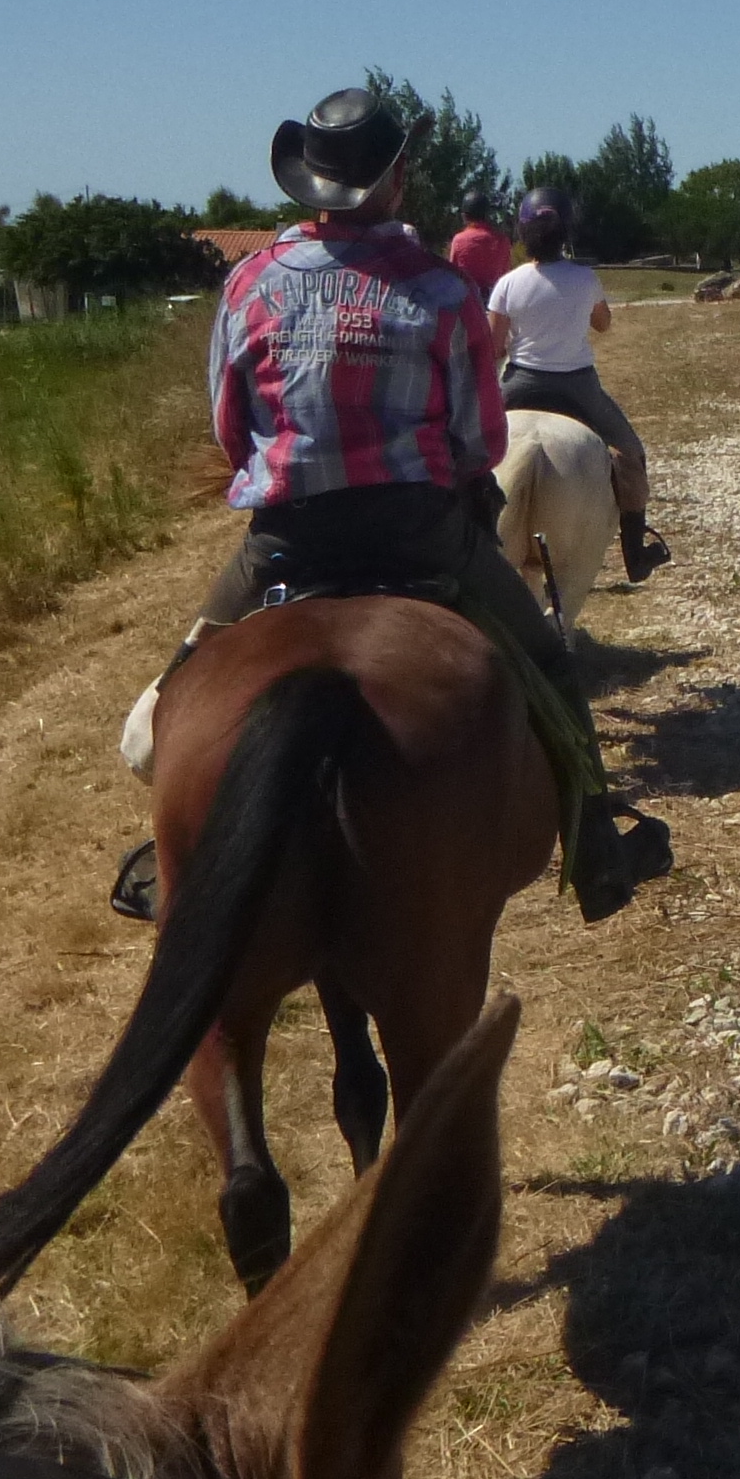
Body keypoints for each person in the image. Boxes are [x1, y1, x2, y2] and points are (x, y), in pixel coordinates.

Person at [112, 87, 623, 914]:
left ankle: (171, 856)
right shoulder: (443, 290)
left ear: (307, 181)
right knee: (549, 662)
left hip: (287, 541)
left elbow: (230, 429)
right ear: (398, 178)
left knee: (168, 708)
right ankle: (598, 847)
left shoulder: (249, 284)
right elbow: (480, 444)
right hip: (420, 536)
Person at [492, 186, 670, 584]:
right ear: (566, 232)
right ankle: (635, 553)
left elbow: (493, 345)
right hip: (577, 387)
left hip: (520, 382)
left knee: (462, 447)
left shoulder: (509, 283)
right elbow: (603, 324)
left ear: (523, 233)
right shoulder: (585, 279)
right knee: (631, 453)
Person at [444, 186, 513, 298]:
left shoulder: (459, 240)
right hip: (496, 299)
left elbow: (453, 276)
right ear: (487, 214)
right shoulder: (503, 241)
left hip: (469, 301)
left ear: (464, 216)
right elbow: (506, 275)